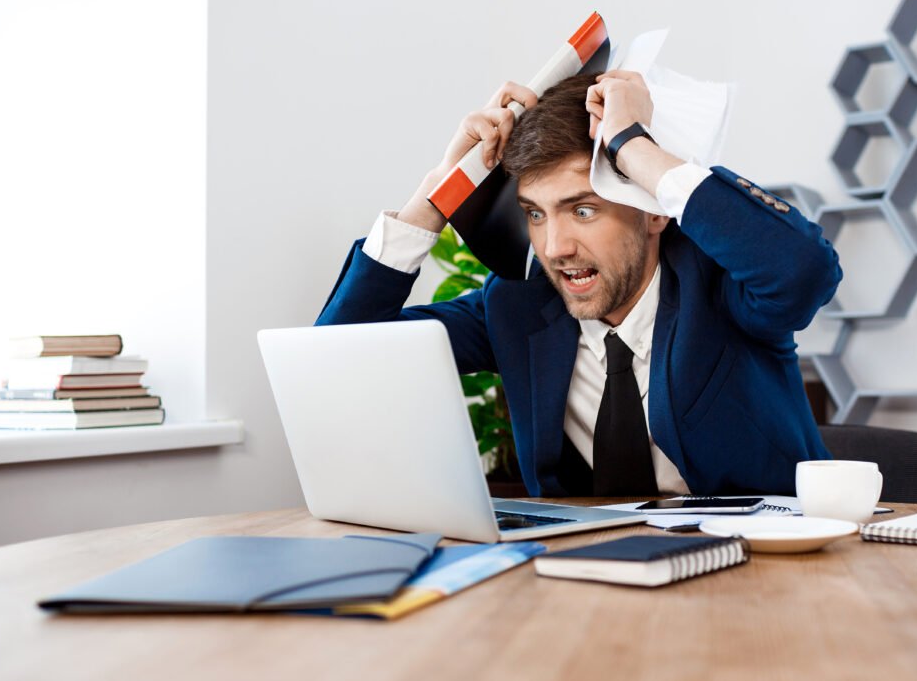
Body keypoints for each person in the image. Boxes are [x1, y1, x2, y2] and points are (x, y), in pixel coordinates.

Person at [316, 71, 842, 497]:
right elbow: (340, 357)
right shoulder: (519, 307)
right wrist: (438, 191)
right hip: (581, 582)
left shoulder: (723, 289)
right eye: (536, 215)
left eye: (582, 210)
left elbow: (804, 271)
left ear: (652, 213)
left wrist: (633, 146)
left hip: (759, 575)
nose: (554, 247)